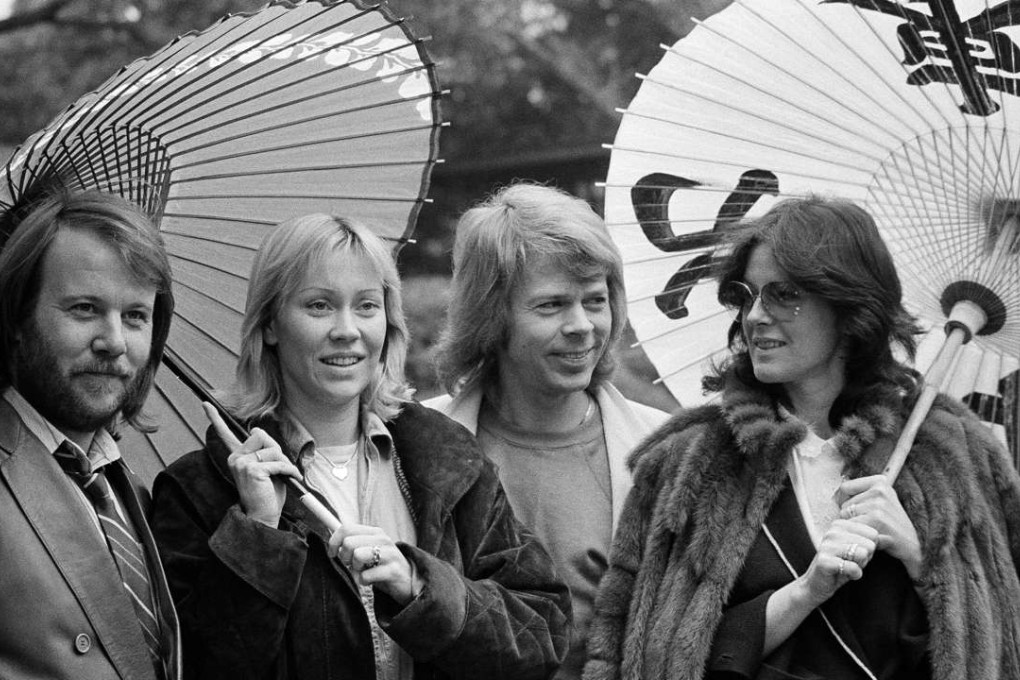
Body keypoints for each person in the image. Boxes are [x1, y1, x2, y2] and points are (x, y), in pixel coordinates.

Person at [583, 196, 1020, 680]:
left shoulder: (951, 452)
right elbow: (643, 654)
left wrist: (920, 557)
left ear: (849, 306)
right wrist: (804, 593)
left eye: (784, 294)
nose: (755, 316)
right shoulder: (690, 463)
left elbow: (998, 646)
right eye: (747, 296)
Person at [149, 213, 570, 680]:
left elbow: (541, 632)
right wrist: (258, 534)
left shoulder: (448, 457)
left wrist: (420, 588)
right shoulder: (200, 489)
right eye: (319, 306)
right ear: (269, 324)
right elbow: (195, 666)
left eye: (366, 306)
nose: (347, 329)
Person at [426, 183, 670, 680]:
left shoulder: (666, 451)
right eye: (552, 305)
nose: (582, 325)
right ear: (492, 319)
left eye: (595, 300)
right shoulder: (416, 444)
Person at [0, 190, 181, 680]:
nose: (114, 342)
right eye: (84, 309)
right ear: (17, 319)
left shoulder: (133, 489)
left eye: (136, 316)